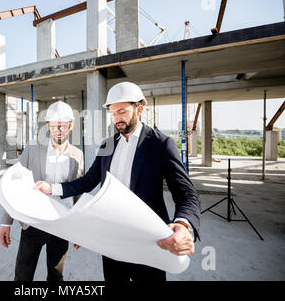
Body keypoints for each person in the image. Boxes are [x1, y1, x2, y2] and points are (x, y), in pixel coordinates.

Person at [34, 82, 201, 282]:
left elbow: (186, 193)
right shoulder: (108, 145)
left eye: (121, 111)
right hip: (112, 239)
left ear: (139, 109)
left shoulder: (161, 144)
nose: (116, 119)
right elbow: (88, 181)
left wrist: (183, 224)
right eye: (113, 113)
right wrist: (51, 188)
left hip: (148, 241)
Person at [0, 100, 84, 281]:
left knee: (55, 275)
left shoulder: (77, 155)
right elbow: (16, 185)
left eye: (63, 127)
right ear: (48, 125)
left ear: (71, 125)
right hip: (33, 223)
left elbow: (77, 194)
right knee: (23, 275)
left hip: (61, 226)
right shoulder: (32, 148)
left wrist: (79, 229)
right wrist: (6, 222)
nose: (58, 131)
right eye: (54, 127)